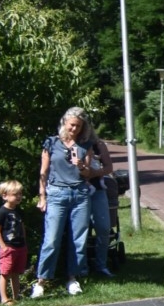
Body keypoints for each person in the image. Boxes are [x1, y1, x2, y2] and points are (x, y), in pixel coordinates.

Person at [32, 112, 94, 296]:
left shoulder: (85, 145)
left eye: (79, 126)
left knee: (78, 240)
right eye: (72, 125)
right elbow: (43, 172)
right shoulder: (51, 143)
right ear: (65, 123)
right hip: (57, 193)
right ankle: (41, 281)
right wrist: (42, 196)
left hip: (80, 195)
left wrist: (81, 165)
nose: (74, 129)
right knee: (51, 239)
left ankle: (72, 279)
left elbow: (88, 174)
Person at [65, 108, 115, 278]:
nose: (78, 129)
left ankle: (101, 265)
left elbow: (109, 168)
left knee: (103, 227)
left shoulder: (97, 145)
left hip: (97, 190)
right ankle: (82, 268)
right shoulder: (65, 143)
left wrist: (94, 173)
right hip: (76, 191)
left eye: (82, 126)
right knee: (80, 230)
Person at [0, 180, 28, 305]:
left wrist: (24, 243)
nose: (18, 196)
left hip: (20, 247)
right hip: (8, 247)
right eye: (15, 194)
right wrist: (3, 246)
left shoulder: (19, 211)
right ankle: (4, 298)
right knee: (5, 273)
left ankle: (16, 297)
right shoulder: (2, 212)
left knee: (16, 273)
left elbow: (22, 227)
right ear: (5, 196)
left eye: (20, 194)